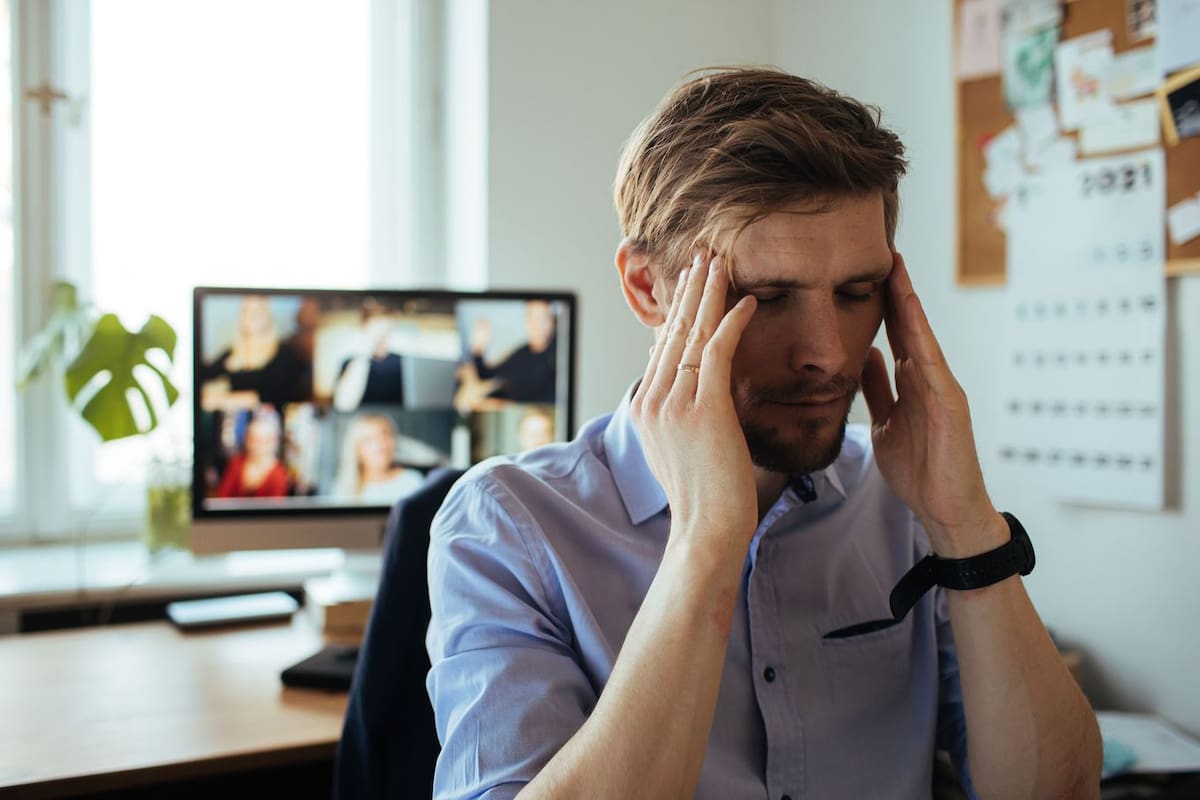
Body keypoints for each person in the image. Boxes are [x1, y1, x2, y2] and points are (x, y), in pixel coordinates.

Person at [425, 68, 1102, 799]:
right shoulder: (507, 525)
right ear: (648, 289)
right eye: (766, 297)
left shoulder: (901, 507)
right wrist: (706, 544)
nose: (829, 353)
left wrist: (965, 527)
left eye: (856, 292)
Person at [200, 295, 312, 410]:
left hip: (269, 424)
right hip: (235, 423)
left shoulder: (283, 353)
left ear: (268, 316)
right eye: (247, 311)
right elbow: (202, 374)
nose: (252, 316)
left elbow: (272, 395)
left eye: (258, 311)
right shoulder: (233, 352)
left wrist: (221, 400)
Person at [456, 300, 558, 410]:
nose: (537, 325)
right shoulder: (524, 352)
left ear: (551, 321)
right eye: (532, 318)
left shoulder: (557, 355)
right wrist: (478, 349)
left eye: (542, 318)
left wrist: (504, 405)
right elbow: (487, 374)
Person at [333, 413, 424, 504]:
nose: (381, 445)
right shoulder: (344, 489)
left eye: (386, 435)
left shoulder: (412, 481)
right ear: (357, 450)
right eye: (370, 440)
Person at [333, 300, 406, 412]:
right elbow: (343, 405)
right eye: (377, 329)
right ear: (364, 329)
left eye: (386, 330)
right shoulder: (351, 363)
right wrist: (364, 352)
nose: (381, 336)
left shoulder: (403, 363)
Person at [213, 407, 289, 498]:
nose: (257, 445)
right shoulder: (236, 463)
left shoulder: (279, 474)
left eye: (263, 440)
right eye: (253, 439)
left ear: (273, 441)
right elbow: (222, 497)